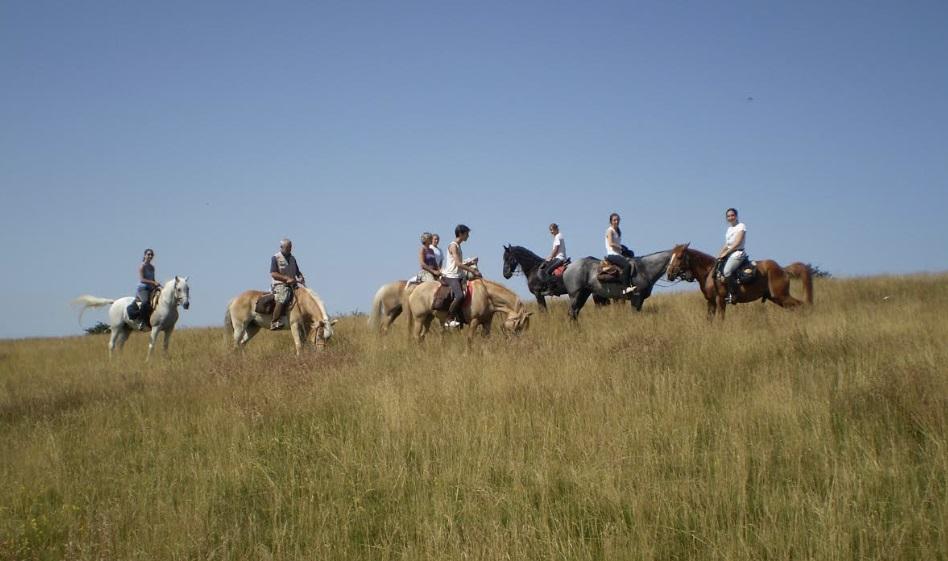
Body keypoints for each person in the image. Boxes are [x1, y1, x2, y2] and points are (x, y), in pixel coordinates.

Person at [441, 224, 481, 328]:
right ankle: (448, 319)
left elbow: (458, 263)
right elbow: (458, 264)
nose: (468, 236)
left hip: (458, 275)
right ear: (461, 234)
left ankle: (461, 317)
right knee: (459, 295)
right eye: (467, 234)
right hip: (451, 276)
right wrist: (472, 270)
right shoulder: (453, 246)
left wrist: (470, 261)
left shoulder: (458, 246)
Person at [269, 238, 305, 330]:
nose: (290, 249)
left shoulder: (293, 258)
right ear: (281, 247)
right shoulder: (275, 257)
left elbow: (297, 272)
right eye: (287, 247)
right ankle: (274, 321)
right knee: (283, 296)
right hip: (280, 285)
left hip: (293, 284)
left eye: (290, 247)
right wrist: (286, 278)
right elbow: (273, 273)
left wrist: (300, 277)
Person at [717, 207, 746, 304]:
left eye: (732, 215)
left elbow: (737, 243)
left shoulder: (741, 226)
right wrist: (719, 254)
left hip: (738, 253)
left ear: (736, 216)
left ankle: (733, 295)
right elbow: (727, 244)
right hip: (729, 253)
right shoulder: (729, 229)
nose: (730, 217)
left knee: (727, 271)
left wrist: (726, 253)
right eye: (728, 216)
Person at [604, 213, 636, 295]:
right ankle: (625, 288)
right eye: (614, 220)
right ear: (611, 221)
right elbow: (611, 243)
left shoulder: (617, 231)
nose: (616, 221)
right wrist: (621, 247)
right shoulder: (609, 230)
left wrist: (624, 249)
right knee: (627, 265)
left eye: (618, 220)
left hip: (618, 254)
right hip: (612, 254)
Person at [134, 248, 160, 330]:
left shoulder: (152, 267)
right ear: (145, 255)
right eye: (148, 254)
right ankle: (141, 321)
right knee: (145, 303)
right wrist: (153, 283)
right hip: (143, 288)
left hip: (151, 288)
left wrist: (157, 285)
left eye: (151, 254)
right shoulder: (142, 266)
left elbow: (153, 279)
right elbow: (142, 279)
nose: (150, 256)